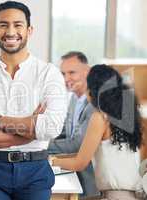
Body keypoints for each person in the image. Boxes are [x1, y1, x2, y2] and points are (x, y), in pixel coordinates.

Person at [0, 1, 67, 200]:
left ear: (29, 30)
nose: (10, 31)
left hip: (35, 172)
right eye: (3, 25)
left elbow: (51, 128)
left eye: (18, 25)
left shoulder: (49, 74)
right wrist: (31, 130)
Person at [51, 64, 143, 200]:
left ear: (94, 90)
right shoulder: (126, 115)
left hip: (114, 196)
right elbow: (84, 155)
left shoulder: (100, 117)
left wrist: (51, 161)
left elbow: (79, 163)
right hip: (131, 195)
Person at [47, 51, 99, 198]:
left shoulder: (95, 104)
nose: (66, 78)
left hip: (90, 183)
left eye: (72, 73)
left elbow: (77, 144)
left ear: (87, 71)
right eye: (63, 74)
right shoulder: (74, 98)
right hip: (73, 175)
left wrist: (42, 147)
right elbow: (64, 132)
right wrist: (36, 137)